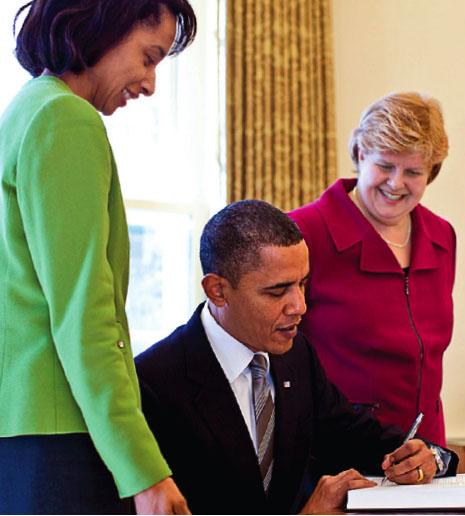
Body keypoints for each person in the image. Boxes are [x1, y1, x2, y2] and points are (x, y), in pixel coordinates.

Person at [135, 200, 457, 515]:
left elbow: (355, 435)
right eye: (277, 292)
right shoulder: (152, 384)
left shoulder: (296, 354)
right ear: (217, 290)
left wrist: (430, 456)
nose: (299, 306)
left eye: (302, 284)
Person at [0, 1, 196, 514]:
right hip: (61, 431)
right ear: (102, 27)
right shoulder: (67, 119)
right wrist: (144, 470)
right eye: (149, 57)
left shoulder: (26, 108)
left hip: (22, 427)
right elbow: (85, 315)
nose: (150, 84)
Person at [288, 92, 455, 448]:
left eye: (413, 172)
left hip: (426, 454)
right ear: (361, 155)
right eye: (385, 165)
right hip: (338, 452)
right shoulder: (303, 232)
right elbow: (276, 356)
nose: (396, 184)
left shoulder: (442, 237)